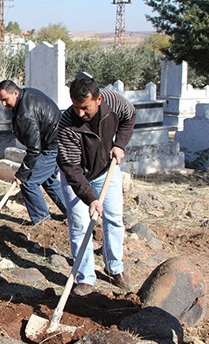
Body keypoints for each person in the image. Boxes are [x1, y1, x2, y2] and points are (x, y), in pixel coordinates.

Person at [57, 77, 136, 296]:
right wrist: (90, 198)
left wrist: (119, 144)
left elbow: (130, 116)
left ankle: (115, 267)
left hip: (105, 172)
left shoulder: (113, 102)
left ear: (98, 99)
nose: (80, 113)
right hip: (77, 177)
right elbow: (71, 167)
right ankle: (85, 278)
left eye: (85, 107)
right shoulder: (67, 125)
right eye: (76, 107)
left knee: (114, 218)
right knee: (80, 225)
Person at [0, 80, 67, 225]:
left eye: (5, 99)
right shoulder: (26, 94)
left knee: (29, 183)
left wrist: (22, 174)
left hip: (52, 146)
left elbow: (34, 149)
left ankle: (42, 221)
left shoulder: (25, 114)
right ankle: (73, 212)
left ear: (15, 93)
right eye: (0, 100)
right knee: (49, 180)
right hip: (58, 141)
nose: (3, 104)